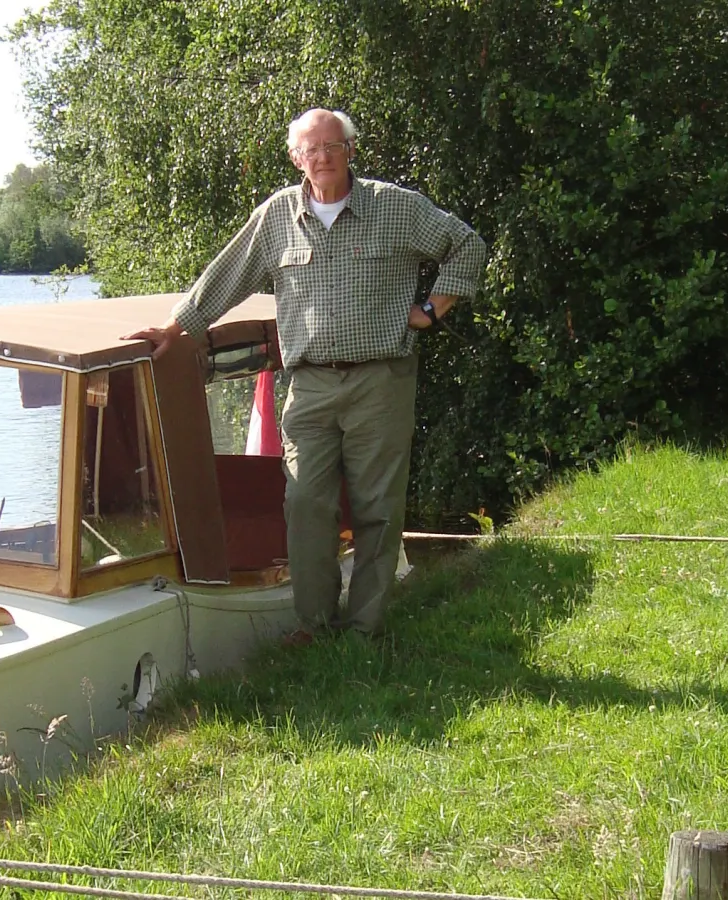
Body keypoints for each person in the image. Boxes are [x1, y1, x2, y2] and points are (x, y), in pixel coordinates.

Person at [127, 108, 487, 641]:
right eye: (310, 150)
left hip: (380, 381)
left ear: (350, 150)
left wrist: (431, 309)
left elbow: (468, 245)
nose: (322, 158)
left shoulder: (396, 208)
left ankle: (365, 631)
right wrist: (171, 331)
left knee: (377, 511)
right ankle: (315, 627)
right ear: (296, 158)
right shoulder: (276, 216)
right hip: (307, 386)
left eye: (331, 147)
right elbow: (225, 278)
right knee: (305, 505)